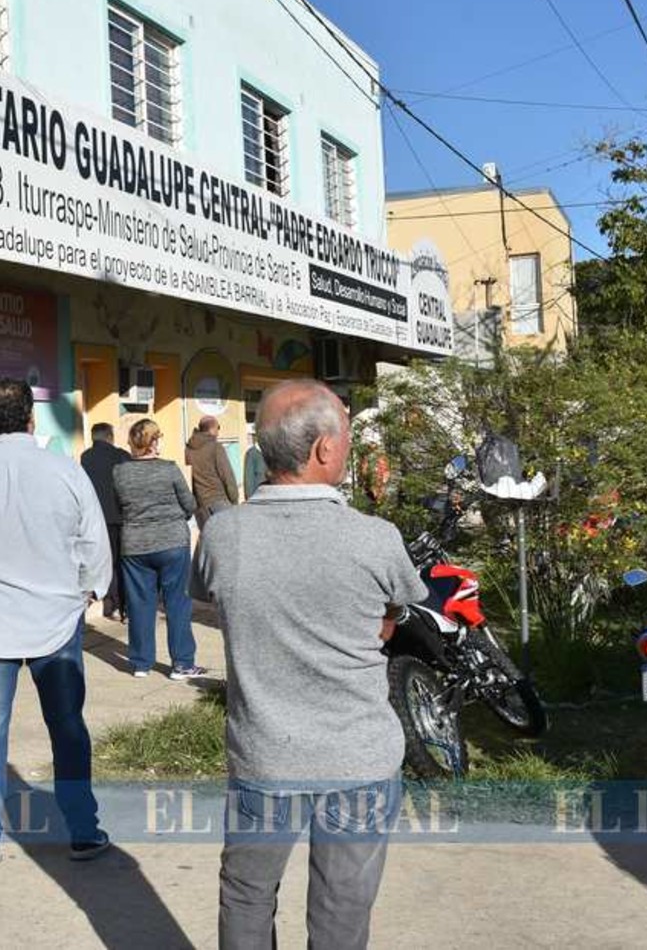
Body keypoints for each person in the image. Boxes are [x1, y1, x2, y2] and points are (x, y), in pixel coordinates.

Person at [192, 380, 427, 949]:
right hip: (358, 759)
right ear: (324, 449)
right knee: (341, 908)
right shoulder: (375, 539)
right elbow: (395, 613)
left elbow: (210, 591)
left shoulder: (223, 534)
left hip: (264, 756)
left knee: (246, 894)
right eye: (346, 435)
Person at [0, 378, 112, 865]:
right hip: (57, 618)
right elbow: (94, 539)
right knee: (68, 725)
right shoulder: (66, 471)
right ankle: (83, 830)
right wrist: (89, 591)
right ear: (31, 419)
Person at [112, 418, 204, 679]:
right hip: (172, 541)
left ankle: (141, 663)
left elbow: (119, 506)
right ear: (153, 442)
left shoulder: (120, 472)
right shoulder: (169, 469)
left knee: (140, 604)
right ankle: (182, 664)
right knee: (177, 603)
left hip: (135, 545)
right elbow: (189, 503)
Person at [80, 422, 132, 620]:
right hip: (121, 517)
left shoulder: (86, 457)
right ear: (110, 436)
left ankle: (110, 602)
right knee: (123, 562)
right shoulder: (121, 456)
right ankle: (125, 607)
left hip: (97, 520)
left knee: (105, 562)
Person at [186, 415, 239, 530]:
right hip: (219, 502)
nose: (218, 432)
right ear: (212, 429)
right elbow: (227, 476)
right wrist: (234, 499)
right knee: (229, 539)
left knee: (210, 541)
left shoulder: (188, 450)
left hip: (201, 506)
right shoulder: (216, 447)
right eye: (218, 428)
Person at [242, 428, 268, 500]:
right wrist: (250, 499)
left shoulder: (270, 452)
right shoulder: (251, 454)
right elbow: (249, 480)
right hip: (258, 498)